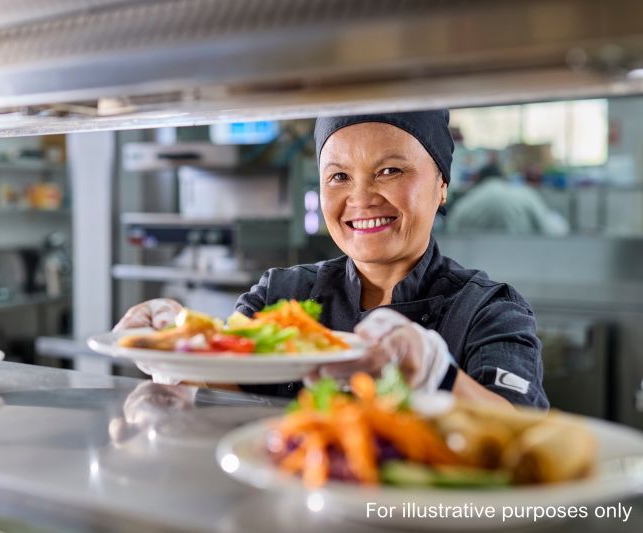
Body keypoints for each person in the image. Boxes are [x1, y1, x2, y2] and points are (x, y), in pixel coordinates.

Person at [116, 111, 548, 409]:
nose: (360, 198)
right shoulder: (281, 295)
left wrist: (438, 374)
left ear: (441, 185)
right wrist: (177, 347)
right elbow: (221, 380)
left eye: (390, 171)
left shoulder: (488, 310)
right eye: (338, 176)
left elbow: (521, 429)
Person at [447, 162, 569, 235]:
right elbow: (553, 230)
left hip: (478, 268)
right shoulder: (525, 195)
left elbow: (452, 234)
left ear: (477, 180)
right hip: (525, 264)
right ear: (503, 177)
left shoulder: (465, 204)